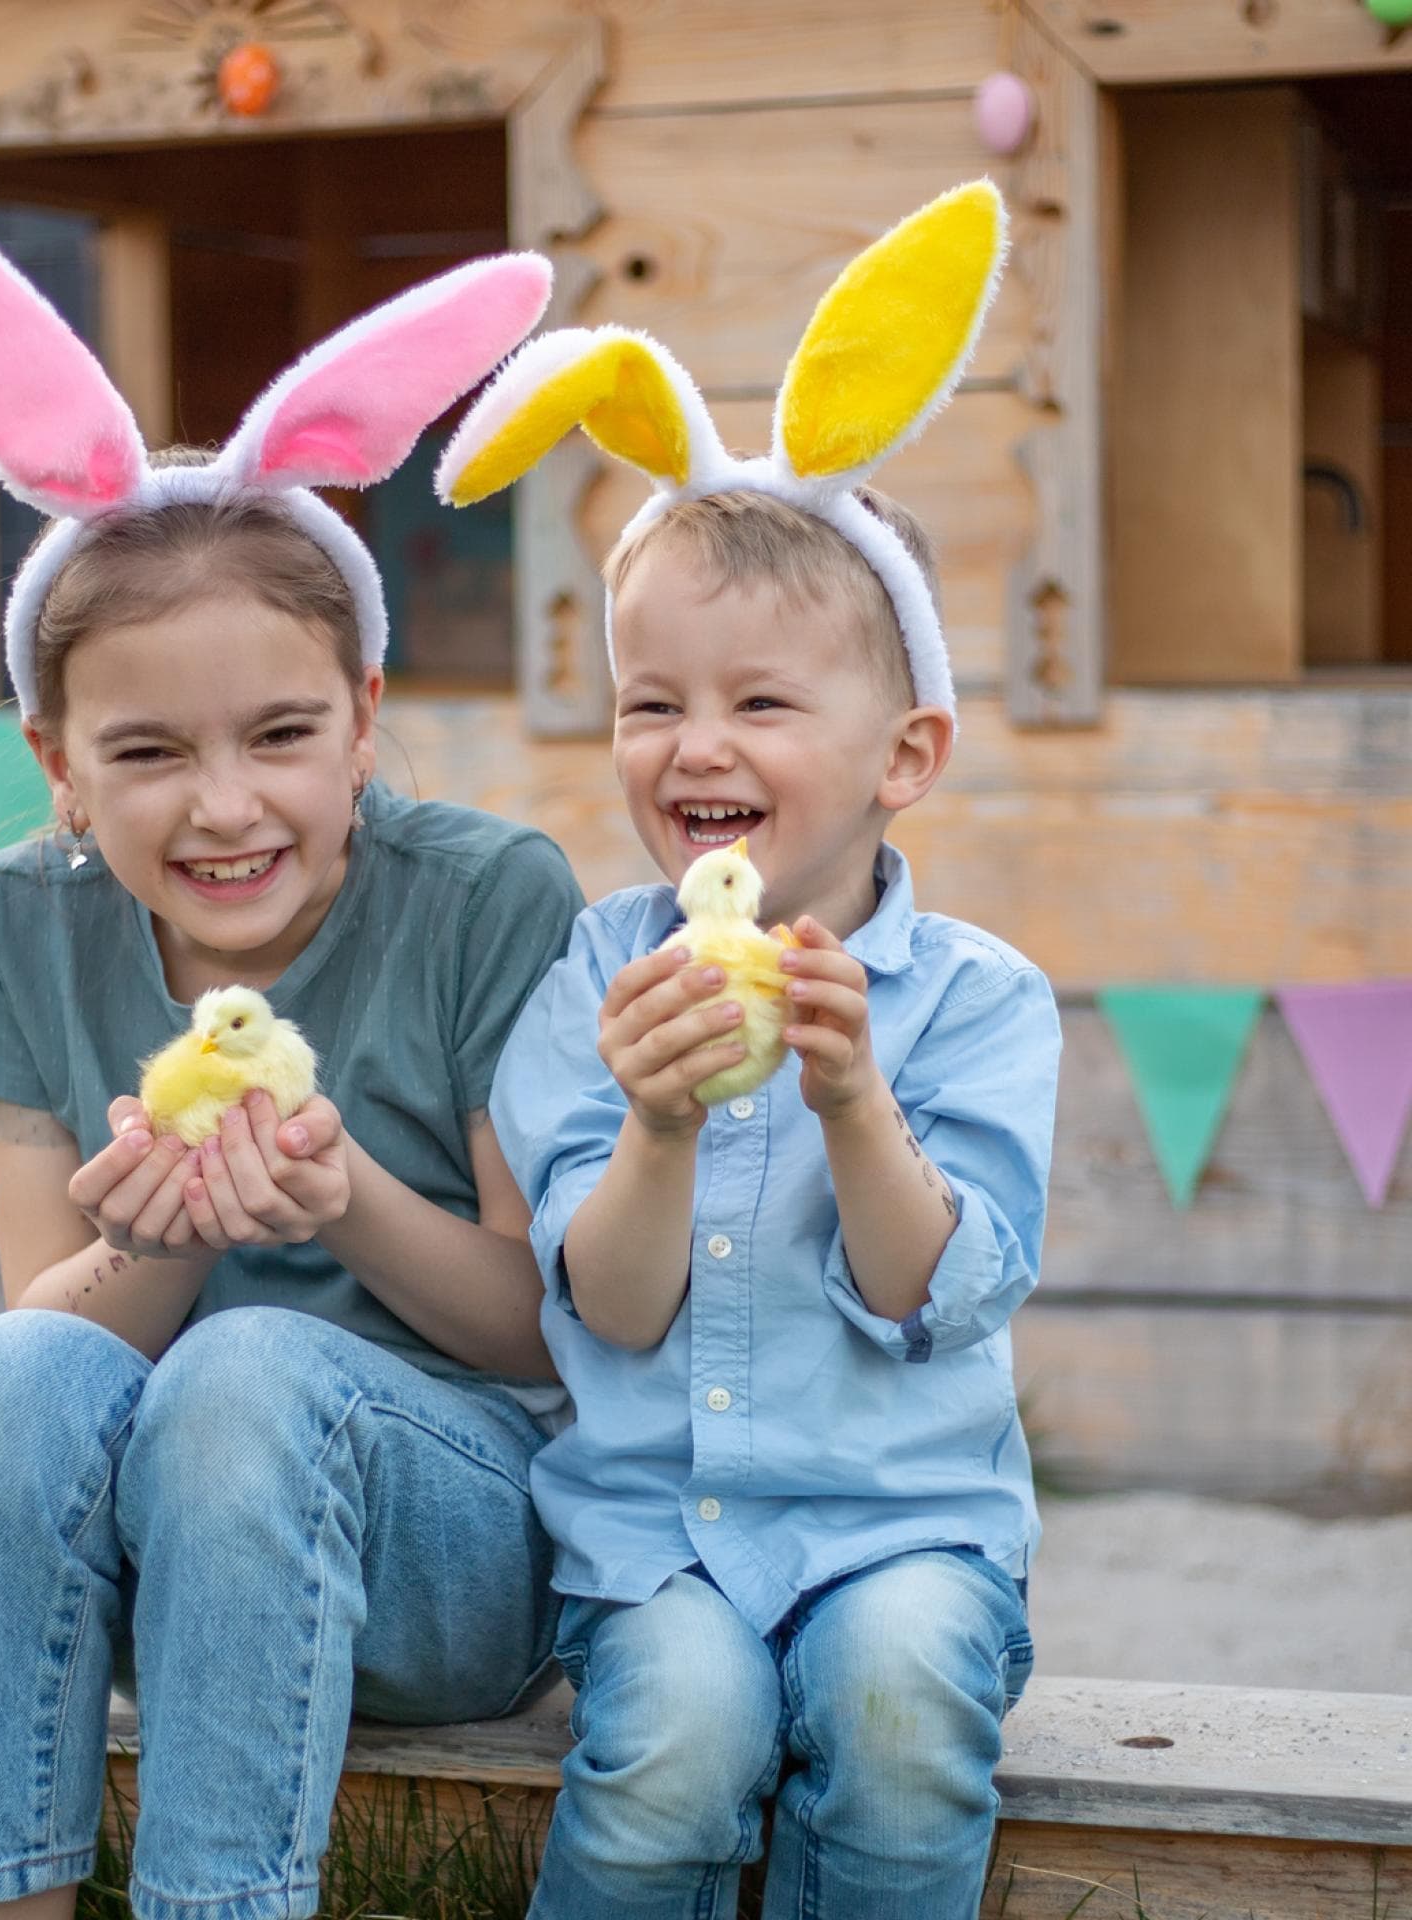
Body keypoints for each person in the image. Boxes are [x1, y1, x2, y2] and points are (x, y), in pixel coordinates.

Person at [0, 207, 580, 1919]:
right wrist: (157, 1242)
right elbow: (43, 1362)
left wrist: (340, 1201)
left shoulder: (487, 896)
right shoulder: (20, 922)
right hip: (138, 1579)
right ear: (56, 765)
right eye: (147, 752)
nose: (225, 804)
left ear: (363, 715)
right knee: (5, 1373)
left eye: (281, 735)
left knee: (254, 1368)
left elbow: (540, 1328)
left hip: (458, 1554)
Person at [439, 181, 1061, 1919]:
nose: (692, 745)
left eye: (761, 702)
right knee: (678, 1747)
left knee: (900, 1700)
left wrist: (853, 1099)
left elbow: (944, 1296)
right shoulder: (593, 975)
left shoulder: (981, 1001)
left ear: (905, 753)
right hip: (659, 1547)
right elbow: (607, 1310)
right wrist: (651, 1125)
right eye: (654, 702)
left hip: (907, 1530)